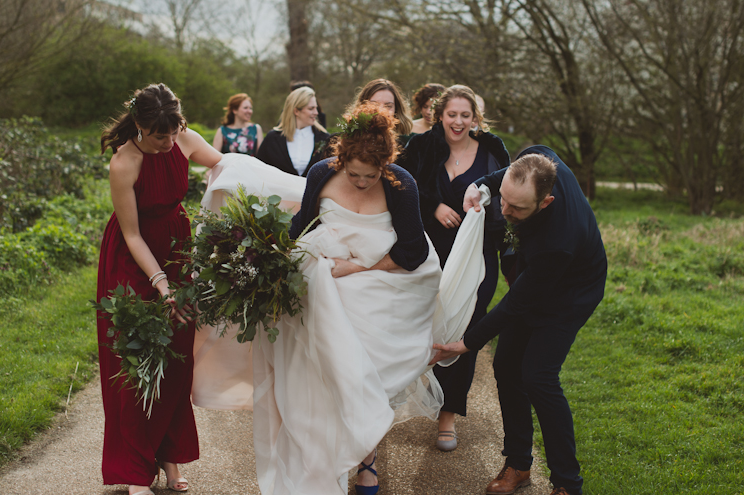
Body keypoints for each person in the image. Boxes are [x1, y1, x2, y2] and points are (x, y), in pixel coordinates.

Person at [252, 102, 444, 495]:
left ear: (385, 166)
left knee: (363, 371)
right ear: (341, 158)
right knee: (324, 367)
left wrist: (356, 268)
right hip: (324, 274)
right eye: (353, 173)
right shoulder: (322, 173)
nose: (359, 182)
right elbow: (299, 225)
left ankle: (366, 458)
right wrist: (261, 253)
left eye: (368, 176)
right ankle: (323, 449)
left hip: (381, 276)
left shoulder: (400, 184)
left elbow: (413, 252)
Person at [431, 147, 608, 495]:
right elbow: (501, 179)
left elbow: (517, 303)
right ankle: (518, 464)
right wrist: (481, 184)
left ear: (546, 202)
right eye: (503, 200)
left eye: (516, 208)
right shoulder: (538, 158)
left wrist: (467, 343)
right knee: (507, 366)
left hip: (572, 292)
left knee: (538, 376)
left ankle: (567, 484)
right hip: (537, 273)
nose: (504, 210)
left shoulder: (558, 240)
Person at [96, 83, 224, 495]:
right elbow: (132, 236)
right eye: (159, 136)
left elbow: (224, 166)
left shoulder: (181, 137)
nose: (169, 142)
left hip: (176, 249)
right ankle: (135, 472)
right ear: (139, 125)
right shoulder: (124, 162)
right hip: (132, 265)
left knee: (175, 363)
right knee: (135, 369)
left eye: (174, 133)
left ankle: (170, 461)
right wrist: (161, 284)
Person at [402, 84, 510, 452]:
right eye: (453, 114)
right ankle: (405, 395)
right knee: (419, 324)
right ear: (438, 114)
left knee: (464, 332)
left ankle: (448, 415)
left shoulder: (493, 151)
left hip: (477, 259)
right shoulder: (422, 147)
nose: (459, 122)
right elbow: (403, 188)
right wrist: (432, 205)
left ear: (475, 118)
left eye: (466, 115)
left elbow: (506, 198)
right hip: (428, 255)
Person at [257, 86, 330, 177]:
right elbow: (259, 170)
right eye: (311, 109)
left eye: (316, 108)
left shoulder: (326, 139)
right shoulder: (272, 138)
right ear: (296, 111)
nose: (316, 113)